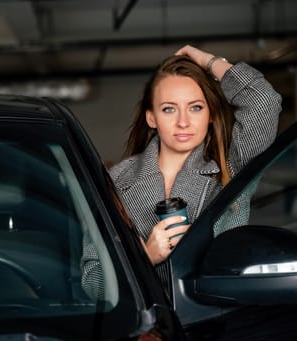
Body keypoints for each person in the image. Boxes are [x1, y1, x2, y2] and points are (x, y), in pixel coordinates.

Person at [81, 44, 282, 298]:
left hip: (220, 320)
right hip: (150, 328)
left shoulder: (231, 163)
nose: (183, 121)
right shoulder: (115, 181)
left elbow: (264, 101)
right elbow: (91, 282)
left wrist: (209, 62)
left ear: (210, 114)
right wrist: (144, 256)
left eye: (196, 107)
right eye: (169, 109)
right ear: (151, 118)